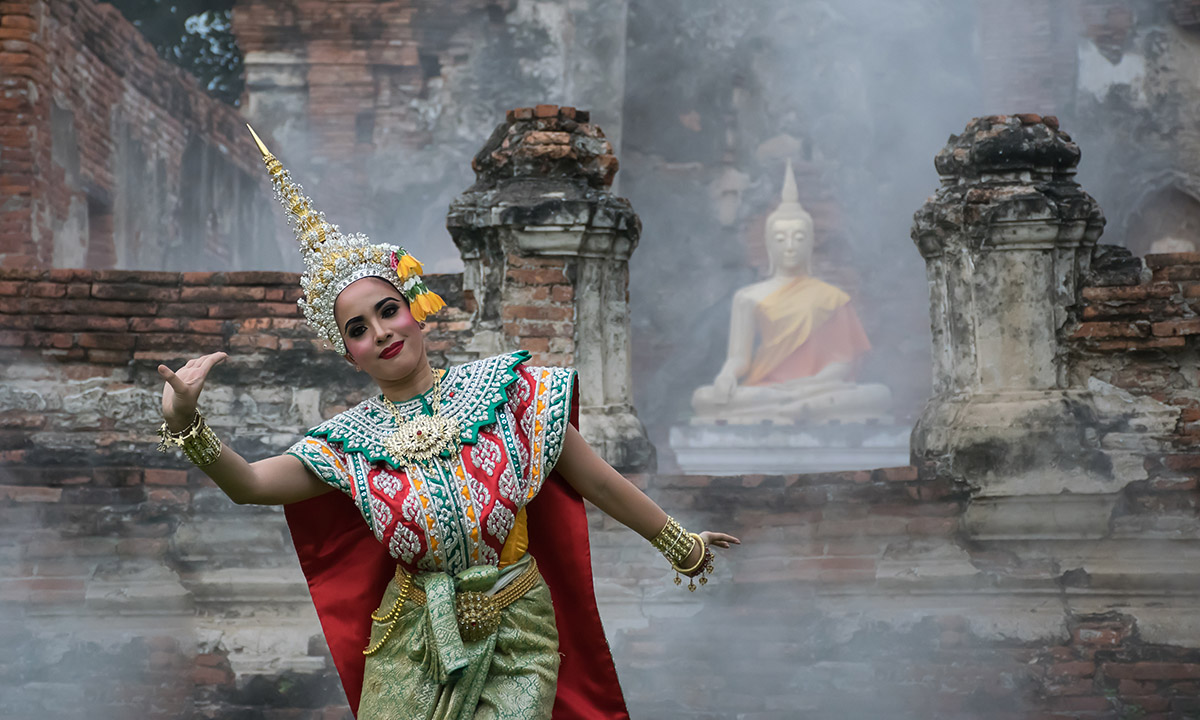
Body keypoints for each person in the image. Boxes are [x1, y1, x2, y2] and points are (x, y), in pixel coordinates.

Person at [154, 126, 739, 720]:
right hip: (409, 643)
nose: (380, 332)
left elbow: (600, 481)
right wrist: (187, 423)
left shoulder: (509, 395)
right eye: (358, 329)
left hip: (515, 629)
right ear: (346, 350)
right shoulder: (349, 445)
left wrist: (678, 542)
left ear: (415, 310)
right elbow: (249, 485)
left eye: (387, 311)